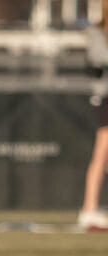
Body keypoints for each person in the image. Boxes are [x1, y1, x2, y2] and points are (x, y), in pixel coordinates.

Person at [80, 17, 108, 230]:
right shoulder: (98, 33)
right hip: (105, 97)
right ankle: (89, 209)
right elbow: (98, 59)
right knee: (102, 151)